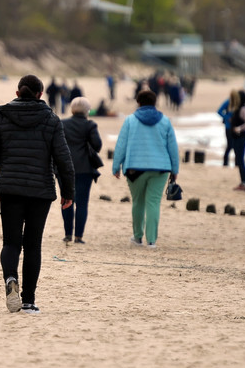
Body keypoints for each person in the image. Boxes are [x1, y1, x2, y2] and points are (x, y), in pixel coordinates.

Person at [0, 75, 74, 315]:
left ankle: (11, 279)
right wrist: (68, 191)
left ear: (18, 92)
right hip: (40, 191)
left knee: (11, 242)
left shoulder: (0, 115)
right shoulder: (51, 119)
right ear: (40, 94)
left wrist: (4, 152)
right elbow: (63, 158)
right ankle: (29, 301)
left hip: (10, 188)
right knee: (33, 245)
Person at [112, 90, 179, 249]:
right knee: (153, 203)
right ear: (155, 103)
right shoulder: (165, 121)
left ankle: (137, 237)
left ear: (138, 102)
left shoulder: (130, 120)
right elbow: (173, 148)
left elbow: (121, 145)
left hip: (135, 168)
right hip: (160, 168)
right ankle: (151, 241)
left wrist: (116, 166)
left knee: (138, 202)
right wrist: (174, 169)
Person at [60, 97, 103, 245]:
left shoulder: (63, 124)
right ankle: (78, 237)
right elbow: (97, 146)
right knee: (82, 203)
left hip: (65, 168)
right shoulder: (89, 125)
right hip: (84, 168)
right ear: (87, 111)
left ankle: (67, 234)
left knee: (66, 200)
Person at [229, 89, 245, 192]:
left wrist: (239, 128)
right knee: (239, 160)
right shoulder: (237, 108)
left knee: (241, 160)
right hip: (236, 138)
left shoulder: (243, 109)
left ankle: (244, 183)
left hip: (241, 138)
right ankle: (243, 182)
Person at [216, 96, 234, 166]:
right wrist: (227, 118)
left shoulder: (238, 102)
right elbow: (219, 111)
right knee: (230, 145)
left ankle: (236, 163)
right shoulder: (228, 101)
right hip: (228, 126)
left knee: (235, 146)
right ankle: (225, 163)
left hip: (236, 127)